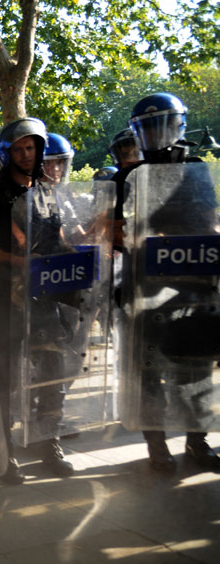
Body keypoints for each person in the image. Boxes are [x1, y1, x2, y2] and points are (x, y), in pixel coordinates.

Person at [113, 92, 220, 473]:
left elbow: (207, 222)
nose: (157, 134)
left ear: (178, 126)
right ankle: (156, 445)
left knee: (195, 367)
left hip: (190, 283)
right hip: (143, 288)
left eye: (163, 125)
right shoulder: (127, 175)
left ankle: (198, 440)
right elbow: (114, 232)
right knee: (148, 371)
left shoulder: (196, 169)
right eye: (148, 127)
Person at [0, 118, 76, 484]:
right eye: (19, 148)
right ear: (7, 152)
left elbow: (57, 237)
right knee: (5, 379)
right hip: (2, 299)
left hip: (44, 297)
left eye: (31, 147)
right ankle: (5, 453)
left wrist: (79, 255)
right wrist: (15, 262)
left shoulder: (47, 191)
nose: (27, 154)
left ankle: (49, 444)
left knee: (51, 376)